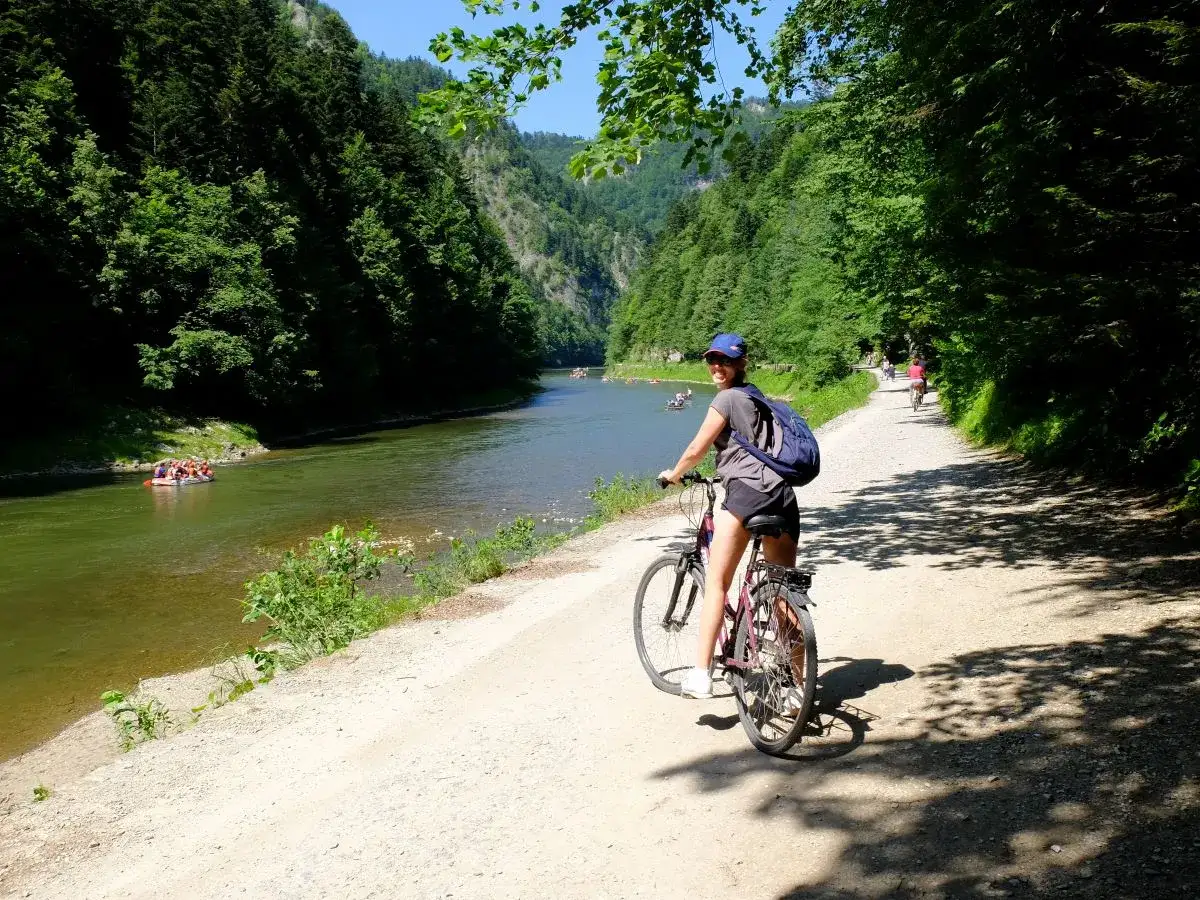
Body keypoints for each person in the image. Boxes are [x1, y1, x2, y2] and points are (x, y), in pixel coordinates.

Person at [658, 333, 802, 701]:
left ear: (741, 363)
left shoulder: (727, 398)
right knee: (783, 594)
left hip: (746, 495)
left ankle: (701, 675)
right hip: (783, 496)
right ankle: (798, 690)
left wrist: (674, 474)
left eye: (725, 360)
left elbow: (696, 448)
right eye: (712, 360)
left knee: (718, 584)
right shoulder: (758, 396)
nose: (717, 366)